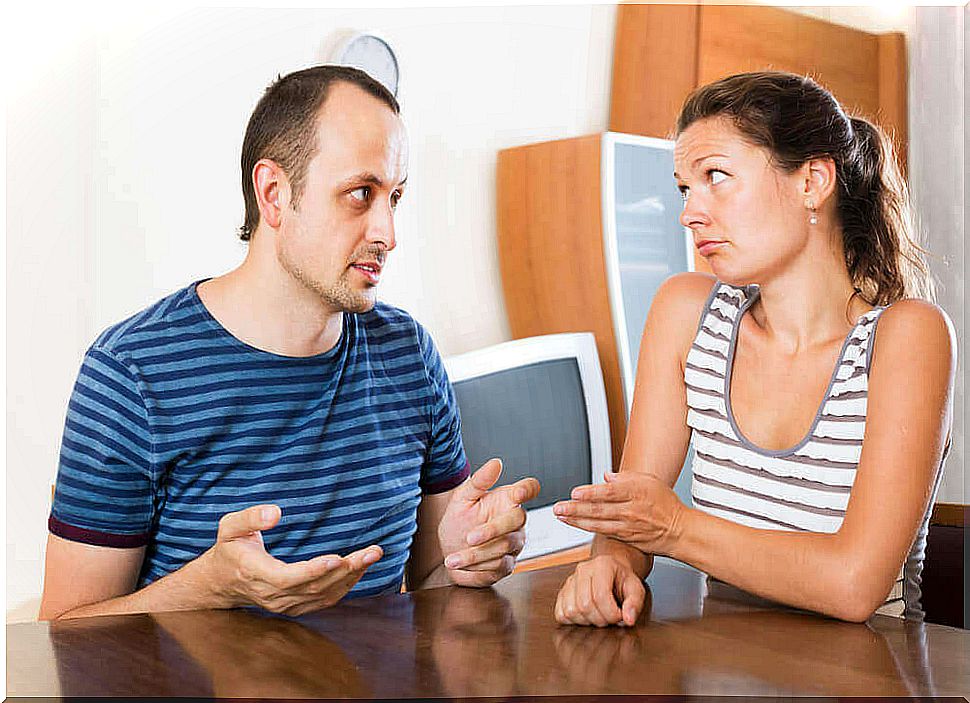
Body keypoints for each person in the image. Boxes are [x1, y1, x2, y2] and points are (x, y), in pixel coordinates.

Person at [40, 65, 540, 620]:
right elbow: (62, 641)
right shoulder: (131, 374)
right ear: (274, 195)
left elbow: (427, 583)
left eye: (394, 197)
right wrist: (209, 587)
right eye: (361, 193)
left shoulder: (410, 357)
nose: (388, 234)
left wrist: (468, 562)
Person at [553, 71, 955, 625]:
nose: (689, 212)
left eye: (716, 176)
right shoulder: (686, 314)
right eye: (684, 188)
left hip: (867, 677)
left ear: (812, 181)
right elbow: (636, 514)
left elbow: (854, 585)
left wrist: (675, 528)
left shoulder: (907, 337)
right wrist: (611, 561)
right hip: (723, 665)